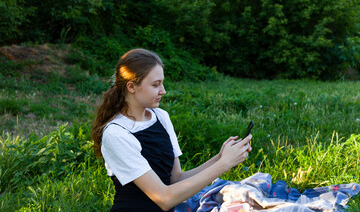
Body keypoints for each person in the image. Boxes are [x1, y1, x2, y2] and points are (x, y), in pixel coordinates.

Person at [91, 48, 252, 212]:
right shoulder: (116, 133)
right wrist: (224, 164)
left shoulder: (160, 117)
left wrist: (220, 157)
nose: (163, 91)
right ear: (131, 87)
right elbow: (164, 198)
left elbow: (176, 179)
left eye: (162, 83)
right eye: (156, 85)